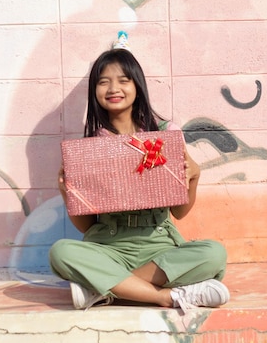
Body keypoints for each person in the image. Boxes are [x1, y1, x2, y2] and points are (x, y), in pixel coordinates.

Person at [49, 32, 229, 312]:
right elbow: (86, 227)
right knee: (61, 253)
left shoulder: (165, 135)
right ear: (94, 91)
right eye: (103, 82)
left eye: (123, 80)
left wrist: (194, 178)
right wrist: (67, 193)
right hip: (107, 245)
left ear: (137, 85)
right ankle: (167, 297)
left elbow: (179, 213)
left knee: (214, 254)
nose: (113, 88)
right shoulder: (91, 147)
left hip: (158, 245)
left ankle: (106, 288)